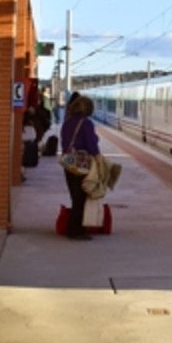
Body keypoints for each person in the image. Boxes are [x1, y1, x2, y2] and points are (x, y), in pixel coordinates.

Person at [59, 93, 98, 240]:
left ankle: (74, 228)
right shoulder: (86, 123)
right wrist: (98, 158)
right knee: (81, 197)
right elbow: (91, 145)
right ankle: (76, 230)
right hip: (81, 163)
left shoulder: (68, 122)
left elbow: (64, 142)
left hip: (69, 162)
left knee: (74, 196)